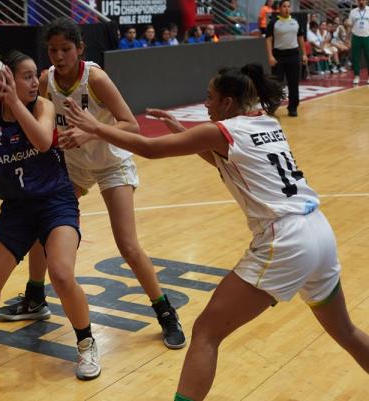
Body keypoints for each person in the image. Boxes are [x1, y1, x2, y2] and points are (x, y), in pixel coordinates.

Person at [63, 62, 369, 401]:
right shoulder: (266, 122)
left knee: (206, 331)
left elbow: (150, 149)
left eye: (210, 98)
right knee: (346, 331)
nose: (205, 104)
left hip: (286, 240)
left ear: (227, 102)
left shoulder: (223, 130)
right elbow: (232, 162)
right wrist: (183, 131)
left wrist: (96, 128)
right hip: (319, 233)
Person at [0, 17, 186, 349]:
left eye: (66, 49)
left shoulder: (95, 77)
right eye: (53, 50)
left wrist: (90, 130)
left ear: (80, 48)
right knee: (44, 230)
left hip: (111, 162)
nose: (58, 56)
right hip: (71, 166)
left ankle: (165, 311)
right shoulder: (45, 81)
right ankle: (36, 297)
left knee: (127, 244)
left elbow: (131, 126)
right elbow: (34, 121)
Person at [0, 50, 101, 381]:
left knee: (60, 273)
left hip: (55, 202)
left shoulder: (41, 106)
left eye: (34, 75)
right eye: (27, 76)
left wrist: (15, 102)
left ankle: (86, 342)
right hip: (16, 209)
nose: (35, 81)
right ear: (5, 79)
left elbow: (44, 141)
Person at [265, 0, 307, 117]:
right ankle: (273, 106)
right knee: (276, 84)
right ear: (279, 8)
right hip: (278, 56)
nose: (287, 9)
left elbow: (300, 38)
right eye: (284, 6)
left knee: (293, 83)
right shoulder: (274, 22)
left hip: (293, 55)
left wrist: (304, 54)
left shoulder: (296, 21)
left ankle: (293, 107)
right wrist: (270, 56)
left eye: (288, 6)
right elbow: (268, 40)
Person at [347, 0, 369, 84]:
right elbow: (349, 25)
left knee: (368, 57)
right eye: (359, 0)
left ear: (366, 1)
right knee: (355, 57)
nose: (361, 2)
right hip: (356, 37)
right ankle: (356, 76)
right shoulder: (353, 12)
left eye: (363, 0)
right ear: (357, 1)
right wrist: (347, 38)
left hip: (367, 36)